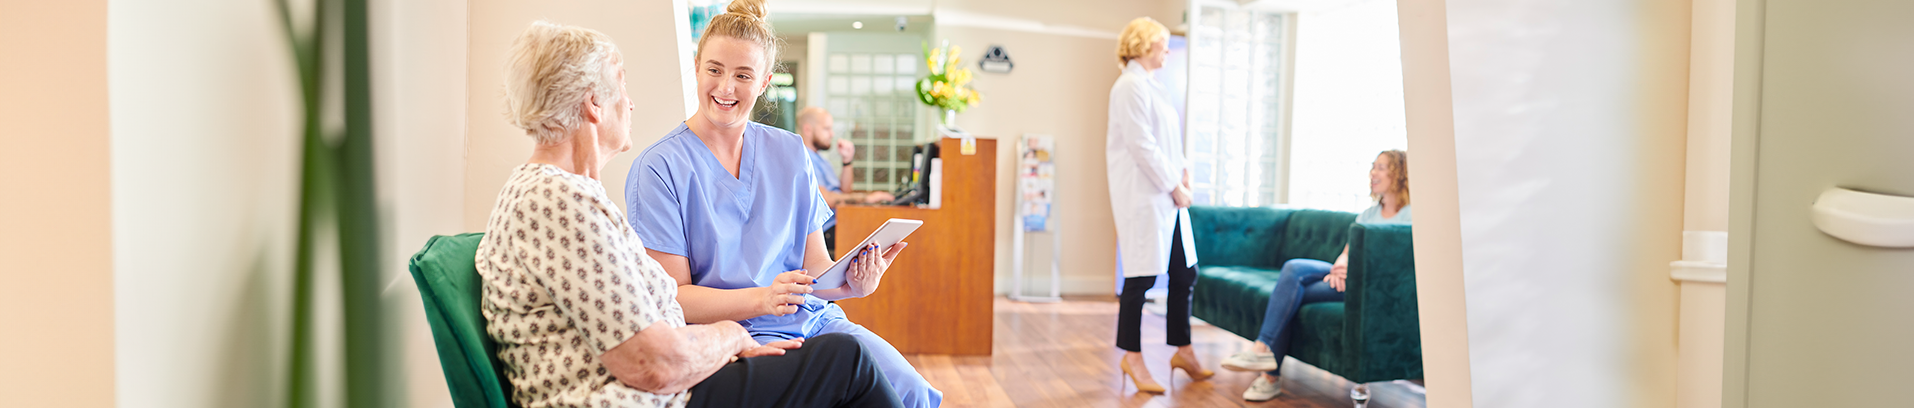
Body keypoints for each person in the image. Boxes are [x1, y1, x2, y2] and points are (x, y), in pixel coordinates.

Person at [473, 21, 901, 408]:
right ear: (594, 105)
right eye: (621, 87)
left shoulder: (570, 196)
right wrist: (732, 336)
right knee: (846, 361)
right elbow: (654, 362)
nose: (632, 103)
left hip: (671, 381)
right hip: (644, 397)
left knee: (850, 361)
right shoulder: (558, 202)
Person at [623, 1, 942, 407]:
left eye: (743, 75)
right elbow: (672, 298)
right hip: (738, 335)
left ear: (764, 82)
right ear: (698, 66)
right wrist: (761, 299)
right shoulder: (659, 167)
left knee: (910, 390)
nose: (725, 88)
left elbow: (814, 271)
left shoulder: (790, 152)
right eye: (714, 70)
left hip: (815, 321)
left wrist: (853, 285)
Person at [1219, 150, 1413, 402]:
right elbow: (1346, 251)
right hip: (1346, 277)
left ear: (1398, 173)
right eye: (1373, 167)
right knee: (1293, 270)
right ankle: (1263, 353)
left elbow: (1399, 265)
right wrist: (1340, 267)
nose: (1373, 173)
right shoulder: (1368, 214)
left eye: (1381, 167)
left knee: (1289, 295)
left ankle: (1268, 371)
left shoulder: (1409, 216)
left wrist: (1351, 272)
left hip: (1368, 286)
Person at [1105, 16, 1210, 394]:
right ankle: (1131, 357)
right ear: (1145, 44)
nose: (1168, 50)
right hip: (1145, 196)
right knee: (1141, 279)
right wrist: (1172, 185)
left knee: (1185, 274)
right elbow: (1142, 145)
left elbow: (1169, 142)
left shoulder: (1153, 86)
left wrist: (1183, 175)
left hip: (1168, 196)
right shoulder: (1129, 86)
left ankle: (1183, 351)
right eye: (1163, 43)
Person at [795, 106, 896, 255]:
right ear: (808, 129)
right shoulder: (803, 158)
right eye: (826, 129)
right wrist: (867, 198)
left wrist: (847, 161)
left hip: (838, 223)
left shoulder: (821, 160)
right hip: (824, 233)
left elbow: (844, 193)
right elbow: (827, 200)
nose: (832, 134)